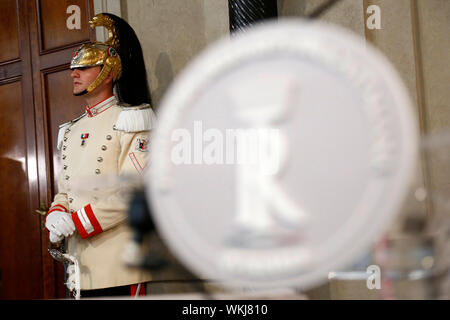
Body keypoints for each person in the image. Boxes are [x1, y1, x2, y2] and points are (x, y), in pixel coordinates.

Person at [45, 13, 156, 298]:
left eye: (84, 66)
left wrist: (78, 222)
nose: (74, 73)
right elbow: (65, 191)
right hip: (80, 269)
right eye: (74, 67)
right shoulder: (71, 130)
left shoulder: (133, 119)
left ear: (108, 71)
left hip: (119, 265)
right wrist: (56, 213)